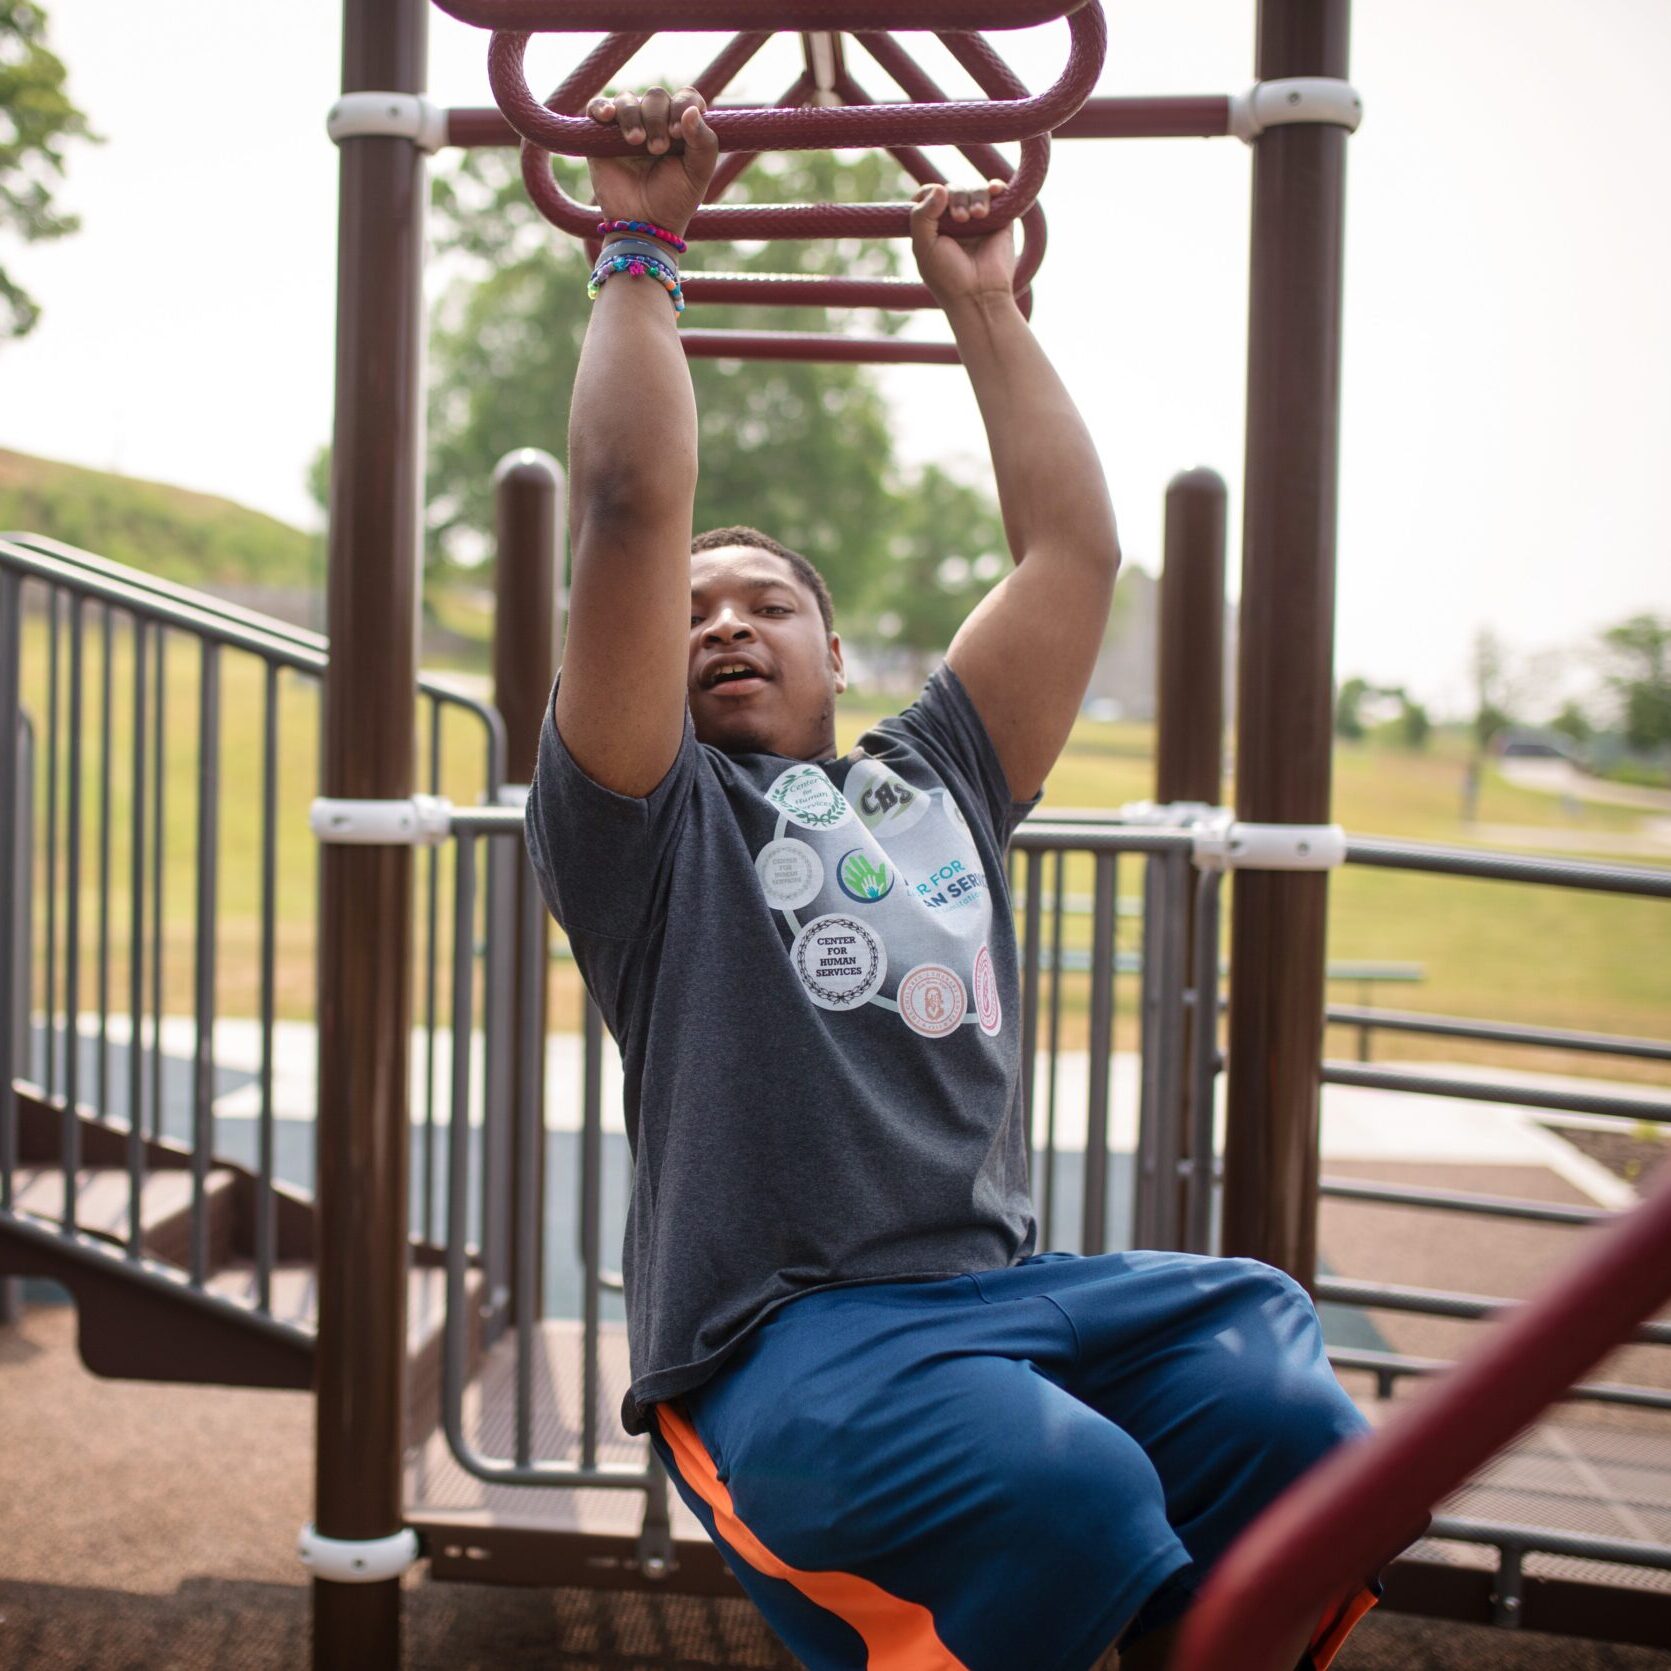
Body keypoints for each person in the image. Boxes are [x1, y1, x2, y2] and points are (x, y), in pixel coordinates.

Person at [526, 84, 1375, 1671]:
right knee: (1065, 1490)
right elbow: (635, 511)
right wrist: (641, 239)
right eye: (696, 607)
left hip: (1008, 1293)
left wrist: (982, 304)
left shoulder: (941, 779)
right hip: (787, 1342)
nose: (722, 620)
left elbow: (1072, 557)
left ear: (835, 650)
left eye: (766, 602)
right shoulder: (650, 825)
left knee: (1283, 1398)